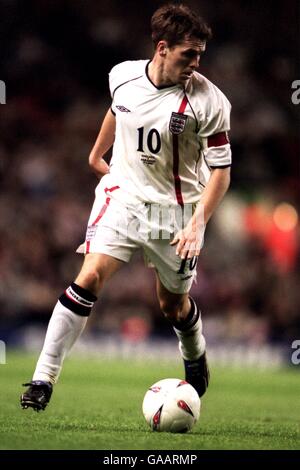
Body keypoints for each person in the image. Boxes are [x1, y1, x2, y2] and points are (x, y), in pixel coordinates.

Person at [20, 3, 231, 412]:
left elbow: (221, 173)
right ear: (163, 48)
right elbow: (119, 110)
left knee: (172, 307)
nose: (197, 63)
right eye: (190, 54)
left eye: (201, 55)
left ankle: (195, 350)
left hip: (177, 212)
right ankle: (42, 379)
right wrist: (96, 154)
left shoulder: (209, 101)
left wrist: (198, 225)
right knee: (90, 276)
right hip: (124, 198)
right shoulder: (123, 75)